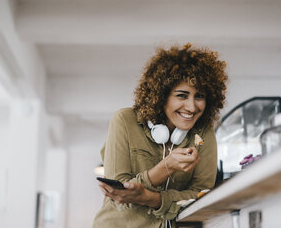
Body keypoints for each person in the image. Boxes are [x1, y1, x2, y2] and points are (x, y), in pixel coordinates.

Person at [93, 43, 227, 228]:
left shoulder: (203, 132)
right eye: (182, 95)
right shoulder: (125, 121)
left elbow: (201, 195)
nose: (192, 107)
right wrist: (167, 167)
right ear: (161, 96)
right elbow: (119, 195)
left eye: (199, 96)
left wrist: (153, 198)